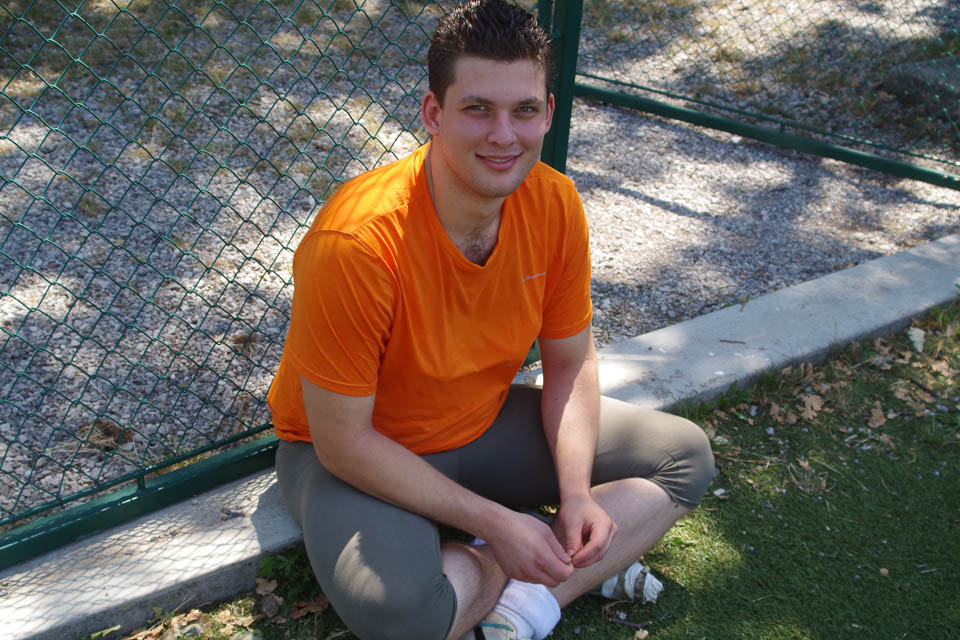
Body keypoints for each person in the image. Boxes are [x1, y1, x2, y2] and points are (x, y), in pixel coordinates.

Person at [266, 1, 715, 638]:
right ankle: (527, 561)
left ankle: (519, 602)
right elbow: (343, 442)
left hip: (478, 425)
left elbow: (570, 363)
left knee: (683, 456)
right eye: (478, 108)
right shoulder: (357, 242)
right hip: (360, 453)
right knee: (402, 620)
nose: (504, 135)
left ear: (548, 113)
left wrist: (576, 494)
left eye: (524, 110)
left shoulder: (555, 204)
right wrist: (501, 526)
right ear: (434, 114)